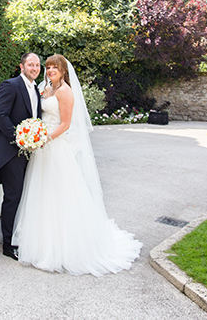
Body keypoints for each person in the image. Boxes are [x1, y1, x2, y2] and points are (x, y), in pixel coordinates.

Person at [12, 54, 142, 276]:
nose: (50, 70)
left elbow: (65, 124)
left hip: (55, 147)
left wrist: (44, 139)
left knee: (60, 194)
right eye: (48, 67)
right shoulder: (46, 89)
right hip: (41, 149)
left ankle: (62, 246)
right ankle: (39, 239)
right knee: (41, 193)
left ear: (63, 71)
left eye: (55, 67)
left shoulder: (64, 91)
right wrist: (34, 136)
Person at [0, 52, 42, 260]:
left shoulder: (36, 89)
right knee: (12, 198)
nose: (35, 68)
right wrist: (21, 138)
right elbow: (0, 115)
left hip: (29, 152)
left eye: (37, 65)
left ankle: (18, 235)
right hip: (11, 152)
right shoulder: (10, 85)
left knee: (24, 195)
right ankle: (8, 245)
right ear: (22, 67)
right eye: (30, 64)